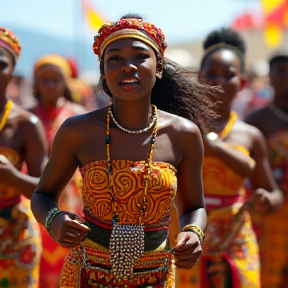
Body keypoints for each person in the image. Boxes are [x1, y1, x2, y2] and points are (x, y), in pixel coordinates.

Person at [30, 14, 224, 287]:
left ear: (158, 68)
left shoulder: (184, 135)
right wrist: (55, 219)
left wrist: (193, 232)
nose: (128, 66)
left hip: (156, 277)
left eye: (140, 56)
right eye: (115, 58)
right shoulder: (78, 131)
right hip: (88, 275)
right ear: (103, 72)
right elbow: (43, 195)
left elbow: (194, 207)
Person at [176, 28, 283, 288]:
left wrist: (267, 200)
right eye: (211, 74)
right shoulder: (181, 128)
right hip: (188, 240)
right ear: (199, 78)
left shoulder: (250, 135)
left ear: (243, 83)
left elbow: (272, 191)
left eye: (229, 75)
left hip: (236, 239)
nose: (219, 82)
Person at [30, 54, 87, 288]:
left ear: (65, 82)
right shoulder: (27, 117)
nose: (51, 85)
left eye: (56, 80)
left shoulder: (80, 116)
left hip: (75, 197)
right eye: (45, 80)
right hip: (38, 194)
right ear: (36, 84)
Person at [0, 27, 47, 287]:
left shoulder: (26, 124)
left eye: (0, 64)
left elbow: (45, 190)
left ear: (12, 72)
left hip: (16, 240)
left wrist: (11, 176)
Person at [245, 52, 288, 288]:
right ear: (270, 77)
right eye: (280, 71)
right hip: (269, 214)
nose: (286, 77)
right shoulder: (256, 121)